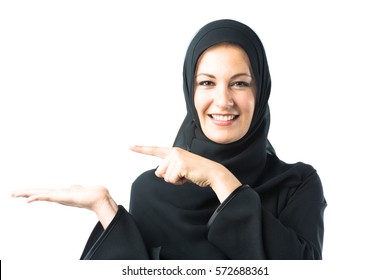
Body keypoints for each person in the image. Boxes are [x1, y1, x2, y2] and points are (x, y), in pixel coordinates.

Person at [12, 19, 326, 260]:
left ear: (262, 91)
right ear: (190, 92)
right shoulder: (152, 191)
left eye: (240, 83)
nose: (222, 101)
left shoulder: (296, 184)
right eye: (206, 82)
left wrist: (220, 178)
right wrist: (105, 208)